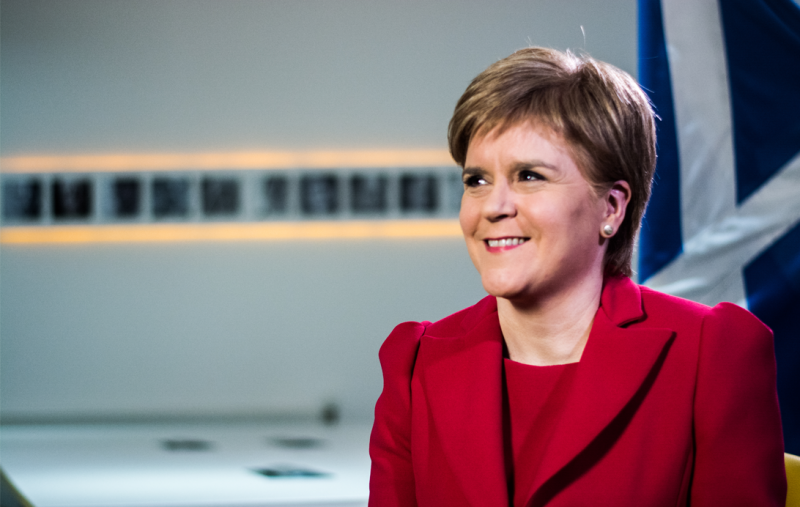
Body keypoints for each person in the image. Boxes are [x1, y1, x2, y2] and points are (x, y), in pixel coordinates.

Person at [368, 47, 786, 506]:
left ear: (611, 207)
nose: (492, 207)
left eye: (529, 176)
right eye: (477, 181)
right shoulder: (415, 363)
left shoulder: (713, 354)